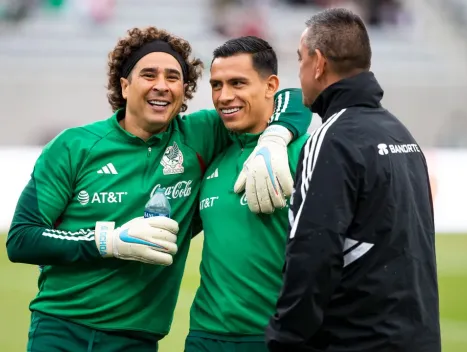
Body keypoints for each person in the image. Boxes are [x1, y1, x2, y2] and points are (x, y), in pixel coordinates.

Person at [6, 27, 311, 351]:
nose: (162, 86)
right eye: (149, 75)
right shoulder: (74, 145)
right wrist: (107, 240)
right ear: (124, 85)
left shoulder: (202, 134)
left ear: (185, 89)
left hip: (138, 338)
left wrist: (276, 136)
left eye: (173, 77)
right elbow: (22, 238)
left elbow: (289, 98)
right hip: (62, 327)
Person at [265, 8, 441, 352]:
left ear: (318, 63)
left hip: (355, 339)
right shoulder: (399, 133)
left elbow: (312, 251)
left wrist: (284, 339)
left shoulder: (331, 138)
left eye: (300, 59)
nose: (298, 72)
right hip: (417, 337)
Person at [185, 36, 311, 352]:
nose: (224, 96)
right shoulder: (215, 152)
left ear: (271, 86)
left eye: (238, 83)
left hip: (275, 336)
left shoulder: (304, 153)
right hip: (203, 336)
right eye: (216, 85)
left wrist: (275, 139)